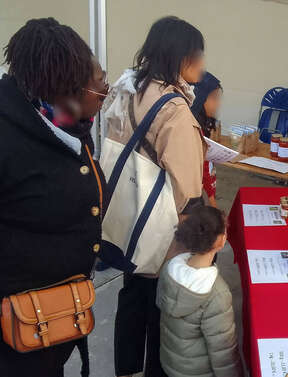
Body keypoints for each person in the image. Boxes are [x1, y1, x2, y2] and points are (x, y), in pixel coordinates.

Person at [0, 18, 107, 377]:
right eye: (99, 78)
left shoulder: (68, 122)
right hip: (13, 336)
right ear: (69, 87)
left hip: (51, 323)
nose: (106, 85)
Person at [103, 16, 207, 377]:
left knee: (132, 293)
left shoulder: (125, 88)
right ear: (183, 59)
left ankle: (125, 368)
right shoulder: (175, 110)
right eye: (199, 55)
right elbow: (188, 188)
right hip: (161, 228)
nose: (203, 64)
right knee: (161, 309)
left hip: (127, 212)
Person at [156, 205, 244, 377]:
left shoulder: (169, 269)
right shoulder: (217, 294)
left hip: (171, 363)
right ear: (220, 241)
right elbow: (223, 353)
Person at [191, 72, 223, 207]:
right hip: (194, 196)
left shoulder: (204, 125)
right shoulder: (193, 129)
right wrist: (211, 201)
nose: (218, 104)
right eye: (214, 98)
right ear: (199, 98)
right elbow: (202, 169)